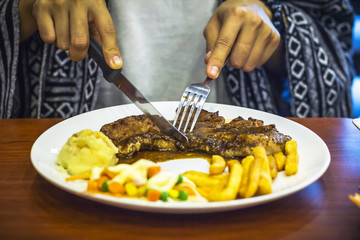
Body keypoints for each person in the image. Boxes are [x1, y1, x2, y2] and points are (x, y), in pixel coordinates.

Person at [0, 0, 355, 118]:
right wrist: (29, 8)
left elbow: (333, 24)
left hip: (250, 185)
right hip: (50, 153)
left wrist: (272, 19)